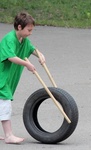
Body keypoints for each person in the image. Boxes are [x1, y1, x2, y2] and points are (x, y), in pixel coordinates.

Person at [0, 12, 45, 144]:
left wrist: (40, 55)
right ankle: (8, 135)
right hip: (2, 77)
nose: (30, 33)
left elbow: (31, 49)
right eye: (29, 30)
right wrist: (27, 64)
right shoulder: (9, 39)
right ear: (19, 27)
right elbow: (10, 57)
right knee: (5, 102)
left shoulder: (23, 40)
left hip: (8, 77)